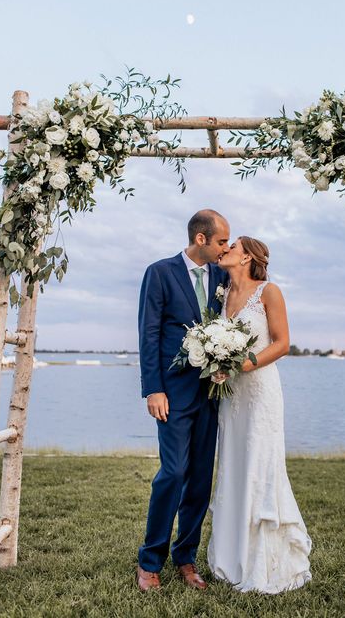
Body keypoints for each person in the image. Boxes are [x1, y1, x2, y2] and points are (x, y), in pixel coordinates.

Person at [208, 236, 312, 593]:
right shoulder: (222, 294)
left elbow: (282, 343)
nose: (224, 250)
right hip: (232, 395)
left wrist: (242, 363)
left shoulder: (269, 291)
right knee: (235, 464)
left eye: (232, 246)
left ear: (248, 256)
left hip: (261, 391)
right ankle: (231, 555)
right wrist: (218, 365)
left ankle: (264, 560)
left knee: (259, 463)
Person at [137, 209, 229, 591]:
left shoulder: (223, 276)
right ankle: (150, 561)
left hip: (211, 392)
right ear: (201, 239)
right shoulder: (160, 272)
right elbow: (149, 333)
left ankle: (186, 559)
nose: (227, 247)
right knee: (172, 473)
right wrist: (153, 389)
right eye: (222, 241)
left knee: (200, 481)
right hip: (172, 393)